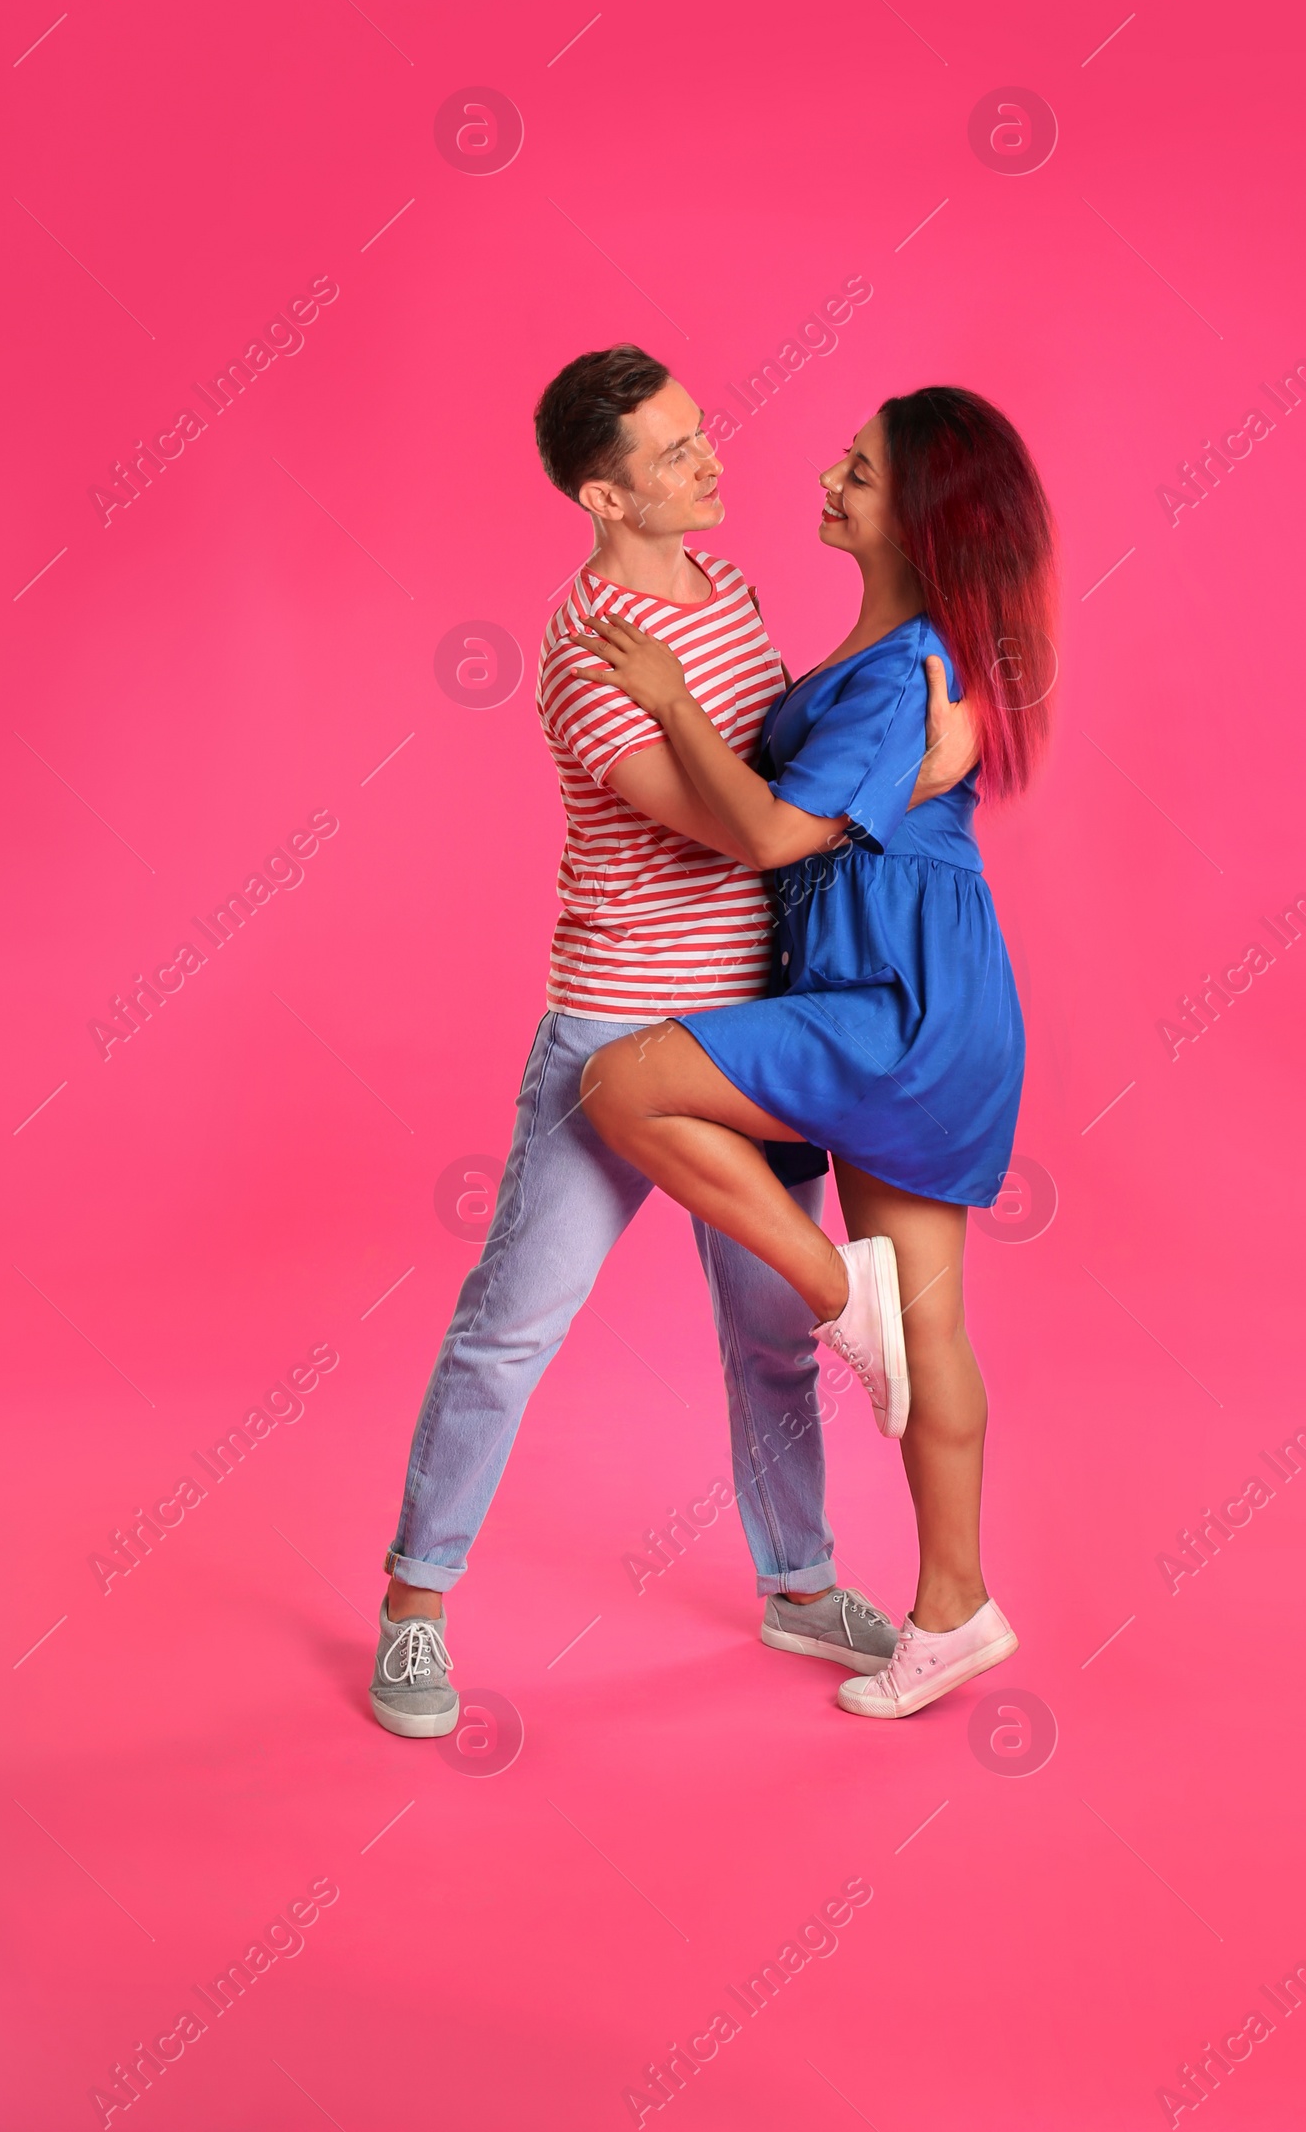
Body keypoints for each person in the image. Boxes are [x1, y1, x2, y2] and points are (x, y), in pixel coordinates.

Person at [370, 346, 979, 1736]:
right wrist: (883, 789)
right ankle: (416, 1607)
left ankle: (799, 1583)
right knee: (510, 1333)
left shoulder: (731, 591)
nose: (713, 463)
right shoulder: (591, 658)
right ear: (603, 496)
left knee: (768, 1335)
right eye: (673, 454)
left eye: (703, 434)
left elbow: (792, 762)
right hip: (620, 1028)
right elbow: (737, 822)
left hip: (757, 1026)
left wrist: (919, 762)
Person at [577, 385, 1056, 1721]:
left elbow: (778, 839)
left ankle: (837, 1301)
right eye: (845, 457)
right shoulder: (904, 654)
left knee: (619, 1082)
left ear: (926, 518)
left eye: (863, 470)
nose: (833, 479)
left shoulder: (906, 676)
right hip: (920, 994)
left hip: (894, 1000)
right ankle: (954, 1611)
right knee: (938, 1326)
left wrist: (670, 700)